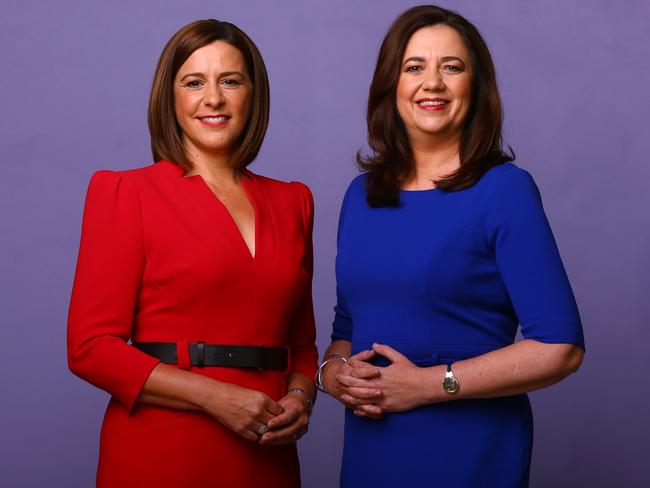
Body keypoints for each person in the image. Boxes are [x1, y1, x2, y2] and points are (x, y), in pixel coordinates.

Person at [317, 5, 585, 487]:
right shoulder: (361, 196)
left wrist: (424, 385)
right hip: (371, 455)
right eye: (414, 67)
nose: (432, 83)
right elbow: (349, 325)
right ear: (391, 85)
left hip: (470, 454)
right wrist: (332, 373)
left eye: (452, 67)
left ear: (475, 87)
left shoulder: (505, 191)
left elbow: (560, 348)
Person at [67, 19, 316, 488]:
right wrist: (215, 397)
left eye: (230, 81)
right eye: (194, 82)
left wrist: (301, 398)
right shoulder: (125, 192)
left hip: (269, 453)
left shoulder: (293, 201)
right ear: (171, 96)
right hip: (162, 448)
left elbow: (301, 342)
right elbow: (89, 349)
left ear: (252, 94)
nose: (214, 98)